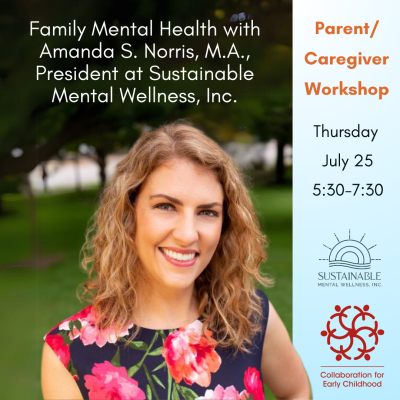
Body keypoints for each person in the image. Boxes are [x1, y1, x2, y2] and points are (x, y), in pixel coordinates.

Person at [41, 122, 310, 400]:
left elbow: (296, 391)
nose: (187, 234)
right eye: (166, 207)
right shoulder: (69, 352)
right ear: (128, 215)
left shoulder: (252, 315)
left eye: (207, 212)